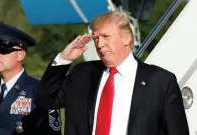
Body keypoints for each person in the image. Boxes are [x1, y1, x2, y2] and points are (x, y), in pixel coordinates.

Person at [35, 10, 189, 135]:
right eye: (95, 39)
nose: (99, 44)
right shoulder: (82, 74)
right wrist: (63, 59)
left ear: (126, 38)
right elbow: (46, 100)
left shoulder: (161, 81)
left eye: (106, 37)